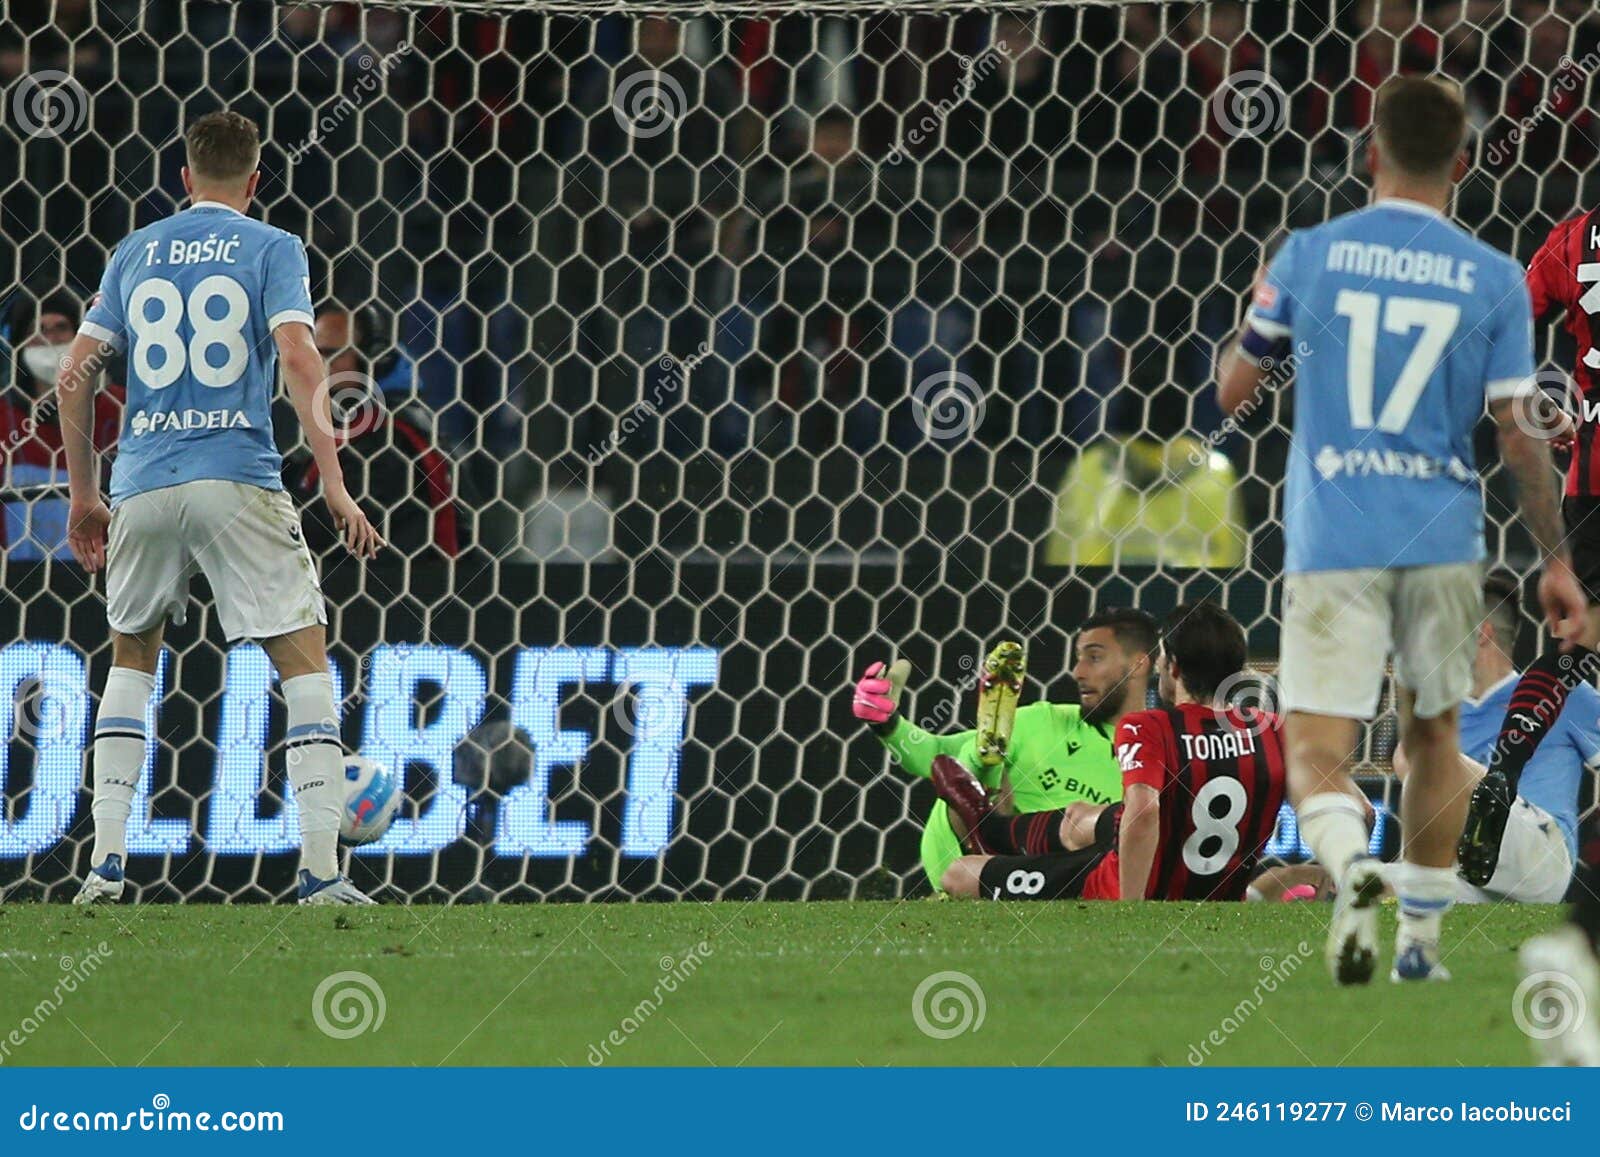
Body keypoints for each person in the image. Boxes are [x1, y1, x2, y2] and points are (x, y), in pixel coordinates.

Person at [1215, 76, 1582, 983]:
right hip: (1444, 539)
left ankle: (1349, 881)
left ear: (1370, 154)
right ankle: (1418, 937)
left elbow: (1232, 390)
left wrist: (1259, 311)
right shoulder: (1495, 278)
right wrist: (1557, 556)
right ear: (1462, 163)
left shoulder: (1311, 252)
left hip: (1335, 540)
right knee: (1431, 742)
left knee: (1321, 754)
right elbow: (1518, 437)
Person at [58, 110, 384, 906]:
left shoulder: (135, 251)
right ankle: (319, 872)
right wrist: (334, 481)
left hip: (143, 479)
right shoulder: (272, 247)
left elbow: (74, 374)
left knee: (132, 658)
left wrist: (84, 496)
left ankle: (105, 865)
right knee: (304, 659)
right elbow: (303, 358)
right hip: (236, 473)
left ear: (184, 177)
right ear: (257, 178)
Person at [933, 601, 1287, 903]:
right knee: (1083, 815)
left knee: (959, 874)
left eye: (1162, 659)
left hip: (1125, 880)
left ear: (1173, 666)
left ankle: (988, 838)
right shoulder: (1272, 729)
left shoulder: (1147, 726)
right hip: (1213, 885)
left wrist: (1128, 910)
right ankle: (991, 828)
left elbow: (1145, 811)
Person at [849, 608, 1156, 893]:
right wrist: (889, 725)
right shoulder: (1043, 719)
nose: (1077, 671)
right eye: (1078, 658)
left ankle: (994, 839)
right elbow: (937, 756)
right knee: (977, 763)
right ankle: (985, 783)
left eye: (1094, 658)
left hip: (1055, 890)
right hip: (959, 878)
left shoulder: (1159, 753)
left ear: (1139, 664)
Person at [1392, 572, 1592, 905]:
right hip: (1468, 873)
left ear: (1481, 634)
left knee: (1418, 749)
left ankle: (1480, 821)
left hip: (1538, 854)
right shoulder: (1446, 714)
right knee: (1371, 886)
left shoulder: (1558, 693)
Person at [284, 301, 462, 560]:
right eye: (316, 354)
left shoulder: (391, 435)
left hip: (404, 587)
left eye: (333, 354)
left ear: (372, 357)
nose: (322, 366)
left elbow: (341, 527)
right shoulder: (355, 425)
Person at [1, 290, 124, 560]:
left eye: (61, 328)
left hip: (106, 560)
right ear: (20, 344)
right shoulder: (4, 418)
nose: (50, 338)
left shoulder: (116, 407)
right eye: (39, 330)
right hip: (17, 570)